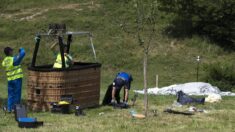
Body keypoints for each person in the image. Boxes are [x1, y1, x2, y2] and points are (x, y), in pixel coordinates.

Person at [2, 47, 25, 112]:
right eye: (11, 50)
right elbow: (22, 54)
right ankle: (16, 109)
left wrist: (17, 55)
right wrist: (21, 49)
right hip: (16, 79)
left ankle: (9, 108)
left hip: (10, 80)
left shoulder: (5, 61)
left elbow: (5, 63)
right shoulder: (13, 59)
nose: (12, 51)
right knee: (17, 94)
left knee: (11, 95)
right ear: (9, 52)